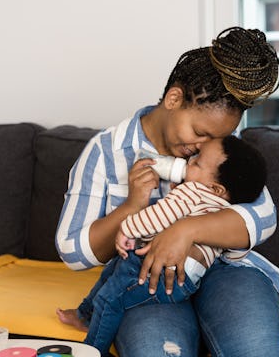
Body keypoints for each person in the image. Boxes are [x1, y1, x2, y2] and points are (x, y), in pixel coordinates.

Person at [55, 26, 279, 357]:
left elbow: (264, 216)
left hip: (228, 273)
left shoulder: (221, 148)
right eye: (199, 132)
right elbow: (72, 250)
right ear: (174, 99)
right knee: (156, 350)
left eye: (213, 140)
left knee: (256, 348)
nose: (201, 147)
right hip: (149, 279)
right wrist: (130, 207)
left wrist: (186, 230)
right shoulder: (107, 151)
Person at [58, 135, 268, 355]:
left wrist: (127, 228)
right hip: (185, 282)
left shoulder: (192, 192)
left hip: (154, 271)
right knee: (114, 269)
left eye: (196, 162)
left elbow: (158, 216)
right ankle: (84, 313)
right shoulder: (225, 207)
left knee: (110, 301)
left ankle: (91, 349)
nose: (189, 162)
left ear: (216, 188)